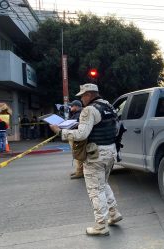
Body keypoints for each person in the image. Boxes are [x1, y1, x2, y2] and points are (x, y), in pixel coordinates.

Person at [50, 83, 122, 236]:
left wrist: (61, 132)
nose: (81, 99)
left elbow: (82, 134)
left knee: (95, 190)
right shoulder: (109, 106)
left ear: (89, 95)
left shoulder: (89, 110)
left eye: (82, 96)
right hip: (110, 151)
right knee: (103, 184)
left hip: (95, 155)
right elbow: (115, 128)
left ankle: (101, 226)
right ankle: (114, 213)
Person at [68, 100, 84, 179]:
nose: (70, 107)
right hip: (76, 137)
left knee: (78, 155)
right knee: (77, 155)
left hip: (77, 137)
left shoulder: (79, 114)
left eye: (72, 106)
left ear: (77, 106)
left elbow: (74, 125)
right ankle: (79, 170)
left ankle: (80, 172)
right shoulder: (76, 114)